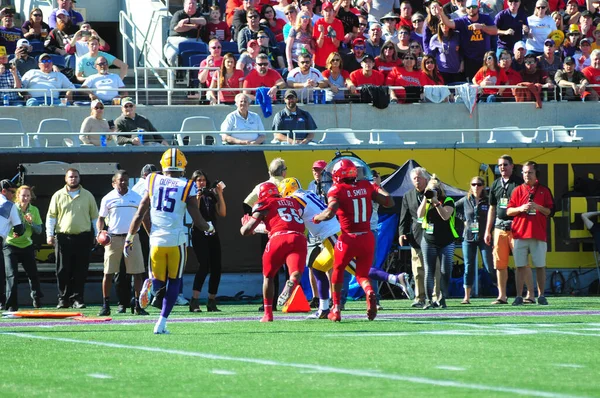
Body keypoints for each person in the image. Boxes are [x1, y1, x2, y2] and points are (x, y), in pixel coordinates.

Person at [125, 149, 214, 334]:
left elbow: (141, 212)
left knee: (159, 279)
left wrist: (129, 237)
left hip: (156, 240)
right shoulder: (187, 185)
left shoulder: (152, 179)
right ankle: (161, 323)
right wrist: (210, 227)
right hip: (176, 240)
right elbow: (197, 219)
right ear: (182, 165)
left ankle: (151, 284)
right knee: (174, 281)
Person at [313, 159, 395, 321]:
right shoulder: (366, 186)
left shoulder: (336, 189)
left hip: (348, 238)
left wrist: (317, 217)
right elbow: (389, 202)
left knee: (338, 270)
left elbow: (330, 213)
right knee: (362, 274)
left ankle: (336, 309)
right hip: (367, 237)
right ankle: (369, 291)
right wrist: (376, 187)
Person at [240, 182, 307, 322]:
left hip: (278, 239)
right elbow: (281, 221)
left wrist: (245, 225)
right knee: (295, 272)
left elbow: (246, 231)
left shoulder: (264, 203)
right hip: (298, 237)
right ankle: (291, 283)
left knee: (269, 276)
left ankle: (268, 314)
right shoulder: (292, 201)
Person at [97, 170, 148, 316]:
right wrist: (100, 232)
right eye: (120, 180)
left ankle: (138, 304)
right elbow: (101, 218)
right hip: (113, 238)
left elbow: (144, 217)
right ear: (114, 183)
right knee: (108, 273)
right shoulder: (108, 198)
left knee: (137, 272)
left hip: (132, 238)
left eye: (126, 180)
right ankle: (105, 305)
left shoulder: (136, 197)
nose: (124, 182)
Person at [46, 169, 99, 309]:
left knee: (80, 270)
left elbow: (95, 218)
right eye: (70, 177)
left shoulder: (88, 195)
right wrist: (49, 235)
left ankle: (77, 299)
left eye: (76, 177)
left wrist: (97, 234)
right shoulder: (57, 195)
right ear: (65, 179)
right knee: (62, 269)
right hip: (63, 237)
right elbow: (51, 217)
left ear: (79, 178)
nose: (73, 179)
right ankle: (63, 299)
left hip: (83, 237)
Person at [507, 161, 554, 306]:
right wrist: (521, 208)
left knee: (540, 265)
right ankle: (519, 296)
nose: (527, 175)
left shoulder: (544, 190)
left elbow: (550, 211)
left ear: (536, 174)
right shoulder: (517, 190)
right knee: (520, 266)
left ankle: (541, 295)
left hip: (538, 234)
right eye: (525, 172)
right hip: (520, 233)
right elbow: (508, 211)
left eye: (530, 172)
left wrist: (537, 207)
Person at [399, 167, 441, 308]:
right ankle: (419, 297)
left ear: (426, 179)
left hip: (433, 234)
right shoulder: (408, 195)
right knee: (418, 269)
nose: (417, 180)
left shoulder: (435, 192)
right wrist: (401, 233)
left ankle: (436, 297)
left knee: (434, 268)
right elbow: (404, 217)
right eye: (414, 178)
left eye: (419, 178)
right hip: (416, 235)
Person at [484, 155, 523, 305]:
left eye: (505, 164)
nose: (502, 167)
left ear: (512, 166)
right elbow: (492, 209)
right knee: (500, 264)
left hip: (516, 227)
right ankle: (502, 296)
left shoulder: (519, 183)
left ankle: (526, 295)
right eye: (500, 165)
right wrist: (488, 230)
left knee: (522, 262)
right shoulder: (495, 184)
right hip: (499, 228)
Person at [417, 174, 459, 309]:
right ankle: (429, 300)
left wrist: (436, 202)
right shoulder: (426, 201)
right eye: (430, 189)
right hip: (429, 240)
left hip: (447, 240)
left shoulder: (448, 200)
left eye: (434, 189)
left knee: (445, 270)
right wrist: (426, 198)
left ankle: (442, 297)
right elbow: (419, 215)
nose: (431, 192)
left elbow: (445, 216)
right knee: (429, 270)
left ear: (440, 189)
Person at [189, 170, 227, 313]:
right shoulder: (191, 195)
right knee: (203, 266)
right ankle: (194, 301)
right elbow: (195, 215)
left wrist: (220, 194)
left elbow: (222, 213)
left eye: (203, 180)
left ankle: (212, 301)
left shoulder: (210, 194)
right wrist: (197, 198)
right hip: (199, 233)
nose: (202, 183)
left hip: (212, 232)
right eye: (198, 180)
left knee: (216, 267)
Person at [433, 0, 498, 81]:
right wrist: (441, 13)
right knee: (472, 85)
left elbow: (495, 31)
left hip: (485, 59)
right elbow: (449, 23)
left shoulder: (485, 18)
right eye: (469, 7)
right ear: (466, 9)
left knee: (486, 83)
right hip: (470, 60)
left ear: (478, 8)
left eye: (474, 7)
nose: (471, 9)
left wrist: (482, 27)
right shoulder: (463, 21)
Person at [455, 176, 494, 304]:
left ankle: (501, 293)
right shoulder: (465, 200)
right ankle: (466, 296)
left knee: (488, 265)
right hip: (469, 237)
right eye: (473, 184)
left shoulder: (488, 201)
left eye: (478, 184)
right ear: (470, 186)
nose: (476, 187)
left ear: (483, 186)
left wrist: (490, 230)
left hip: (484, 237)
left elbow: (494, 215)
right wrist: (464, 219)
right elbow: (453, 209)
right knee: (468, 266)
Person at [0, 180, 26, 311]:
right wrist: (17, 232)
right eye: (12, 192)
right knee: (5, 273)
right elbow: (19, 228)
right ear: (4, 191)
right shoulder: (9, 205)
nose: (14, 195)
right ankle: (7, 304)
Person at [163, 0, 207, 67]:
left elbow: (203, 21)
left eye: (193, 3)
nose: (191, 5)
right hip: (177, 41)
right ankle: (175, 74)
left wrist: (188, 20)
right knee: (172, 56)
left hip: (196, 41)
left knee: (210, 51)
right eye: (189, 3)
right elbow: (177, 28)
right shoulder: (178, 14)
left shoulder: (199, 15)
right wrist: (193, 26)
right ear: (184, 5)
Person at [313, 2, 345, 69]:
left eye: (330, 10)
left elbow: (337, 45)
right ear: (322, 12)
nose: (328, 13)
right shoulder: (318, 23)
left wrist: (333, 35)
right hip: (320, 60)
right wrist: (322, 32)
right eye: (326, 11)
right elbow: (319, 45)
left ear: (333, 12)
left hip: (333, 61)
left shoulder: (338, 23)